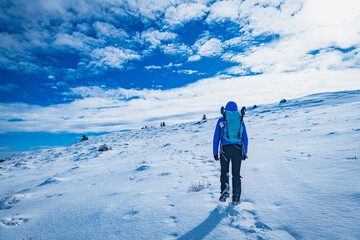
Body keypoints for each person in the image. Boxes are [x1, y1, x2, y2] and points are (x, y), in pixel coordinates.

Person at [213, 101, 248, 204]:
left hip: (225, 149)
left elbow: (216, 138)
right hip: (238, 149)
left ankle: (225, 190)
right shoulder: (240, 119)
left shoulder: (222, 119)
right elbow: (245, 137)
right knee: (236, 174)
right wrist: (244, 152)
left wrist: (215, 153)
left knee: (224, 171)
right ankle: (236, 196)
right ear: (236, 109)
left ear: (227, 109)